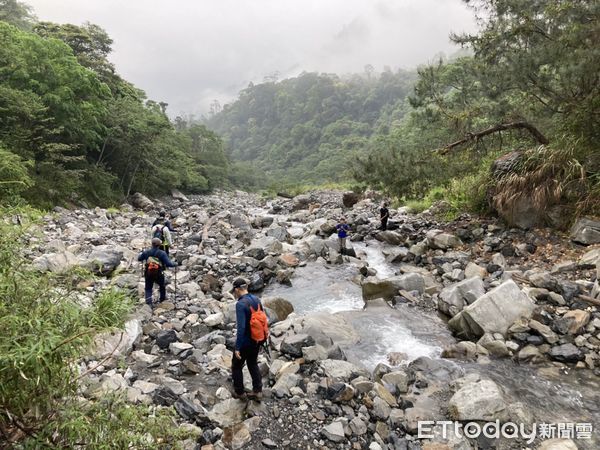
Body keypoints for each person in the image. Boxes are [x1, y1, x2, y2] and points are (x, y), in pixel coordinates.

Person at [230, 278, 266, 401]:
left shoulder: (240, 304)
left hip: (246, 341)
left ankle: (239, 392)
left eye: (234, 291)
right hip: (257, 339)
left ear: (236, 290)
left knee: (236, 365)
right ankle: (258, 391)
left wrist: (237, 348)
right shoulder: (257, 299)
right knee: (252, 363)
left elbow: (241, 328)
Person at [138, 237, 177, 308]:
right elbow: (169, 264)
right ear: (159, 245)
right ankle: (162, 299)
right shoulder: (162, 253)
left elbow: (139, 258)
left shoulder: (146, 252)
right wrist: (175, 264)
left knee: (148, 288)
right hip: (158, 273)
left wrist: (141, 253)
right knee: (162, 286)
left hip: (148, 272)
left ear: (152, 244)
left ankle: (149, 303)